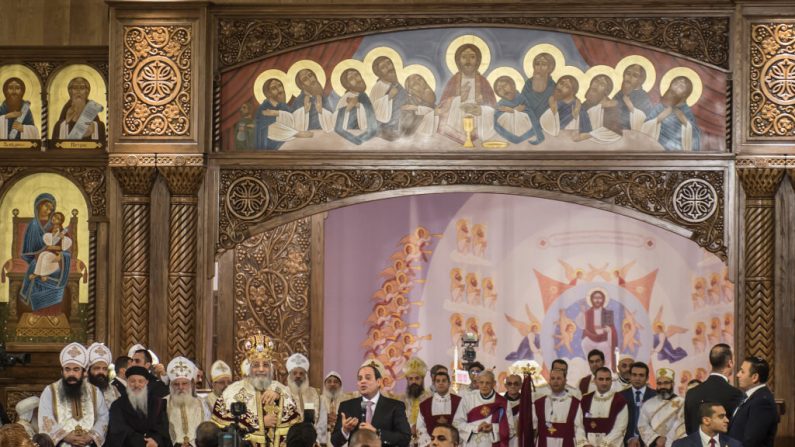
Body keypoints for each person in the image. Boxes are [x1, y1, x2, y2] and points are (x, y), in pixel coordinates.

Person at [212, 333, 301, 446]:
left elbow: (296, 427)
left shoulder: (281, 389)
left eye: (265, 365)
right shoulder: (232, 392)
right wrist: (260, 423)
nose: (261, 369)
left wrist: (280, 398)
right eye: (255, 365)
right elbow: (222, 430)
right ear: (249, 368)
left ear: (271, 368)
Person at [37, 342, 109, 446]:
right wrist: (65, 436)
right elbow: (46, 417)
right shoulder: (50, 391)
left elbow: (103, 417)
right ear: (62, 371)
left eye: (76, 370)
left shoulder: (94, 391)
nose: (71, 374)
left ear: (83, 372)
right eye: (67, 369)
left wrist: (91, 436)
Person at [331, 361, 411, 447]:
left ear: (379, 382)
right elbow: (335, 442)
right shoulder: (346, 406)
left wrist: (377, 432)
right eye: (360, 378)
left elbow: (405, 438)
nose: (363, 381)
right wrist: (345, 430)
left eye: (368, 378)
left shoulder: (395, 406)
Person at [19, 194, 71, 315]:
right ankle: (38, 312)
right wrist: (41, 253)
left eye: (51, 209)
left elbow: (65, 245)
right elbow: (29, 251)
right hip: (37, 259)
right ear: (38, 206)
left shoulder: (56, 228)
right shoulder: (33, 226)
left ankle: (54, 313)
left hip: (54, 258)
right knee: (39, 262)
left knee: (54, 269)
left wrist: (61, 256)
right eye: (46, 206)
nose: (49, 210)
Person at [438, 43, 497, 144]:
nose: (468, 61)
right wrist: (458, 98)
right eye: (464, 57)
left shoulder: (482, 81)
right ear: (458, 61)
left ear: (478, 61)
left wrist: (482, 103)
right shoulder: (453, 80)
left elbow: (493, 105)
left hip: (478, 117)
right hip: (456, 118)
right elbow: (442, 106)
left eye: (472, 57)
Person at [683, 344, 744, 435]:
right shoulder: (735, 394)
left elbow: (689, 430)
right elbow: (737, 431)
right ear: (730, 363)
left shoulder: (691, 393)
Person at [107, 365, 171, 446]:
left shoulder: (158, 403)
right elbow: (119, 429)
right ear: (127, 382)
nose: (136, 385)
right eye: (132, 381)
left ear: (146, 382)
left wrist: (156, 440)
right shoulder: (117, 405)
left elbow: (163, 427)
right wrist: (143, 442)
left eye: (140, 381)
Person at [452, 370, 512, 447]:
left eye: (488, 383)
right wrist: (476, 428)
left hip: (491, 444)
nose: (484, 385)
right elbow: (457, 423)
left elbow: (510, 428)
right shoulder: (468, 399)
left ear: (494, 384)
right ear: (478, 383)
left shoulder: (503, 403)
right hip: (471, 443)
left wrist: (493, 428)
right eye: (481, 382)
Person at [728, 356, 778, 447]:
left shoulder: (762, 402)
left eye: (742, 371)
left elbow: (751, 442)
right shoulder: (751, 397)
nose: (737, 375)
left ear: (754, 377)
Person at [642, 76, 701, 151]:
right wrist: (660, 118)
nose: (676, 87)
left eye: (681, 86)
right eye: (675, 84)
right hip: (656, 150)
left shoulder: (686, 111)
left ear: (685, 94)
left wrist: (685, 122)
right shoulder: (660, 107)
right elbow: (644, 128)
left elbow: (695, 136)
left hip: (676, 154)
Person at [532, 368, 586, 447]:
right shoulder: (539, 403)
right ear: (549, 381)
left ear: (565, 381)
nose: (555, 381)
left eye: (559, 378)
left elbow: (579, 427)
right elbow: (532, 427)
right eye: (553, 378)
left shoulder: (575, 403)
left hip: (567, 443)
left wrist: (583, 443)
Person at [255, 78, 312, 150]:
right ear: (268, 93)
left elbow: (292, 119)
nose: (279, 90)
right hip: (272, 145)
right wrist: (296, 133)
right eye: (274, 88)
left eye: (280, 86)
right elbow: (267, 129)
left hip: (288, 142)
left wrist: (304, 111)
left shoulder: (283, 106)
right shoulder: (264, 108)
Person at [166, 356, 210, 446]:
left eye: (184, 383)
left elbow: (207, 431)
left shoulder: (202, 403)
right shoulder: (162, 403)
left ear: (192, 384)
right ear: (171, 385)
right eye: (176, 384)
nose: (181, 387)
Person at [580, 367, 628, 447]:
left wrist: (603, 444)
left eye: (607, 379)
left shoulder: (620, 401)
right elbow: (578, 424)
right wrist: (584, 443)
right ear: (595, 380)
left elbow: (620, 428)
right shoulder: (585, 400)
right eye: (601, 379)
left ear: (611, 381)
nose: (604, 383)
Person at [638, 368, 686, 447]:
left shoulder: (682, 403)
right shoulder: (648, 404)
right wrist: (656, 439)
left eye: (666, 383)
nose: (662, 386)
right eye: (659, 383)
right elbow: (642, 425)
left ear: (673, 384)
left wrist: (667, 442)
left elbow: (683, 426)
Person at [332, 68, 378, 145]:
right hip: (349, 138)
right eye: (351, 78)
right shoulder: (346, 98)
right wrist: (348, 108)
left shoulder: (363, 96)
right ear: (347, 84)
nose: (356, 79)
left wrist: (359, 105)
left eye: (357, 75)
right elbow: (337, 125)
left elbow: (372, 119)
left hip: (366, 137)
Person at [492, 76, 543, 145]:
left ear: (513, 85)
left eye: (505, 85)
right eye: (499, 89)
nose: (503, 89)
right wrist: (511, 111)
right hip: (507, 135)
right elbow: (496, 119)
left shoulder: (522, 98)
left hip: (526, 130)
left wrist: (522, 109)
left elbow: (530, 112)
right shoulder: (501, 104)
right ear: (498, 94)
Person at [417, 371, 461, 447]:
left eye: (444, 380)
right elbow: (420, 427)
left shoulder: (459, 402)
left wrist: (456, 442)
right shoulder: (424, 405)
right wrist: (430, 443)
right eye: (438, 381)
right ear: (434, 384)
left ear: (449, 383)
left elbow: (463, 423)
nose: (441, 383)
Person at [577, 289, 618, 369]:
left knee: (605, 347)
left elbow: (612, 329)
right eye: (595, 298)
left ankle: (605, 370)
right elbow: (582, 326)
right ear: (592, 299)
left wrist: (609, 330)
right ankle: (591, 369)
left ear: (603, 300)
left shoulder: (607, 313)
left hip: (603, 340)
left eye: (600, 298)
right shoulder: (588, 313)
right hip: (590, 339)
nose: (597, 300)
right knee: (585, 343)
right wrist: (582, 312)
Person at [370, 56, 408, 141]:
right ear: (379, 73)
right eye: (383, 67)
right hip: (384, 132)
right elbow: (373, 113)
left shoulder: (398, 86)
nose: (388, 67)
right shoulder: (377, 88)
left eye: (389, 63)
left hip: (400, 129)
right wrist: (389, 97)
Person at [671, 403, 740, 447]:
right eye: (721, 416)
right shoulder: (681, 445)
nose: (727, 420)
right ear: (706, 420)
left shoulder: (735, 445)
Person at [397, 357, 432, 445]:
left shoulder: (430, 398)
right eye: (411, 379)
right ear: (407, 380)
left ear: (422, 379)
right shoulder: (400, 400)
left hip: (426, 440)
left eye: (417, 378)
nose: (414, 382)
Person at [621, 362, 657, 447]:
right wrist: (630, 439)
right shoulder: (620, 396)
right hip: (625, 443)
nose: (637, 378)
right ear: (630, 376)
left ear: (647, 378)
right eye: (634, 375)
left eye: (641, 375)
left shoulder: (656, 397)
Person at [580, 74, 622, 143]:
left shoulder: (611, 108)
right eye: (596, 81)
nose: (596, 85)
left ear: (606, 91)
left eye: (602, 84)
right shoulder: (585, 105)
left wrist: (588, 135)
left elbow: (615, 132)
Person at [290, 68, 334, 132]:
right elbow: (292, 123)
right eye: (305, 79)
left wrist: (321, 111)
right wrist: (304, 111)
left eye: (310, 76)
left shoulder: (324, 97)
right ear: (302, 85)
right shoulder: (298, 101)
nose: (310, 80)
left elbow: (334, 120)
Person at [612, 64, 653, 132]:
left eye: (635, 75)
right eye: (628, 73)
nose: (629, 77)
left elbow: (645, 121)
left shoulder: (643, 98)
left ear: (641, 80)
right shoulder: (619, 93)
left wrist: (631, 107)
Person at [287, 353, 321, 424]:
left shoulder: (314, 392)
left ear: (306, 376)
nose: (298, 376)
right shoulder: (284, 392)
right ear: (289, 376)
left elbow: (317, 417)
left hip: (310, 430)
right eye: (295, 373)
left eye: (301, 373)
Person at [317, 371, 349, 445]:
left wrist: (338, 419)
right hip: (323, 436)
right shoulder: (318, 399)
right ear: (325, 384)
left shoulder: (347, 400)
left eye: (335, 382)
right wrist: (324, 418)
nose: (332, 384)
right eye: (329, 381)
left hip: (341, 436)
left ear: (340, 385)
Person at [521, 53, 556, 119]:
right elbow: (522, 102)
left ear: (550, 68)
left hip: (547, 121)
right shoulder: (528, 84)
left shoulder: (553, 86)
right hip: (529, 119)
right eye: (537, 64)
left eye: (544, 64)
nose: (540, 67)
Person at [87, 342, 121, 409]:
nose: (101, 372)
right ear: (89, 370)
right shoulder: (81, 389)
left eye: (104, 369)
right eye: (97, 368)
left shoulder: (114, 390)